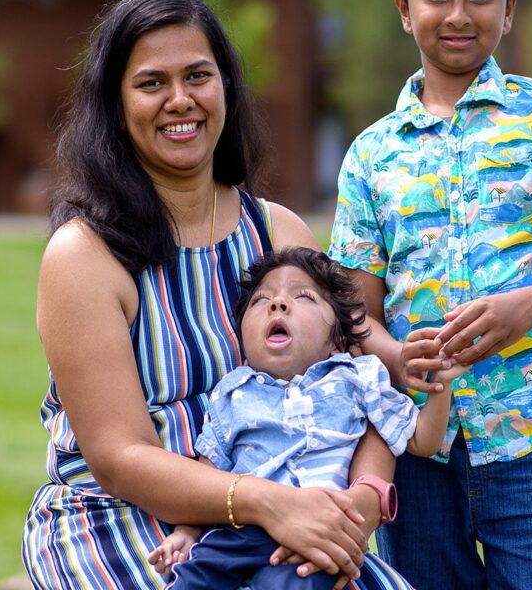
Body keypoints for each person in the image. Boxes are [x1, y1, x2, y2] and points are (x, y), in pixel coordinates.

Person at [21, 0, 411, 590]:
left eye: (198, 76)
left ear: (226, 86)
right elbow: (121, 460)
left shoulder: (280, 234)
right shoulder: (86, 256)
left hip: (288, 508)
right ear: (116, 106)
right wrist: (261, 503)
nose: (180, 99)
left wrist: (359, 505)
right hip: (126, 519)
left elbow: (354, 396)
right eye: (151, 83)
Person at [329, 0, 532, 590]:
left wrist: (525, 308)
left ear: (510, 6)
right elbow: (354, 314)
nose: (458, 15)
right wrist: (400, 357)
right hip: (416, 448)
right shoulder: (370, 156)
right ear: (404, 7)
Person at [149, 247, 469, 589]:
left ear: (338, 341)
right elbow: (208, 470)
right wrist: (186, 532)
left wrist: (442, 386)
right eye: (261, 301)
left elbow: (424, 440)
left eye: (303, 297)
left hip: (318, 529)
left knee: (291, 584)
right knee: (192, 579)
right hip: (241, 528)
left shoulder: (357, 378)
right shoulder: (232, 392)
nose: (278, 304)